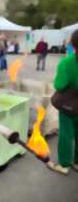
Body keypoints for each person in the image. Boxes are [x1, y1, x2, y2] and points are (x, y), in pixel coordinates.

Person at [52, 29, 78, 175]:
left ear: (73, 44)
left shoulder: (67, 62)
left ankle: (64, 164)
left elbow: (59, 85)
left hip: (69, 105)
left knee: (66, 134)